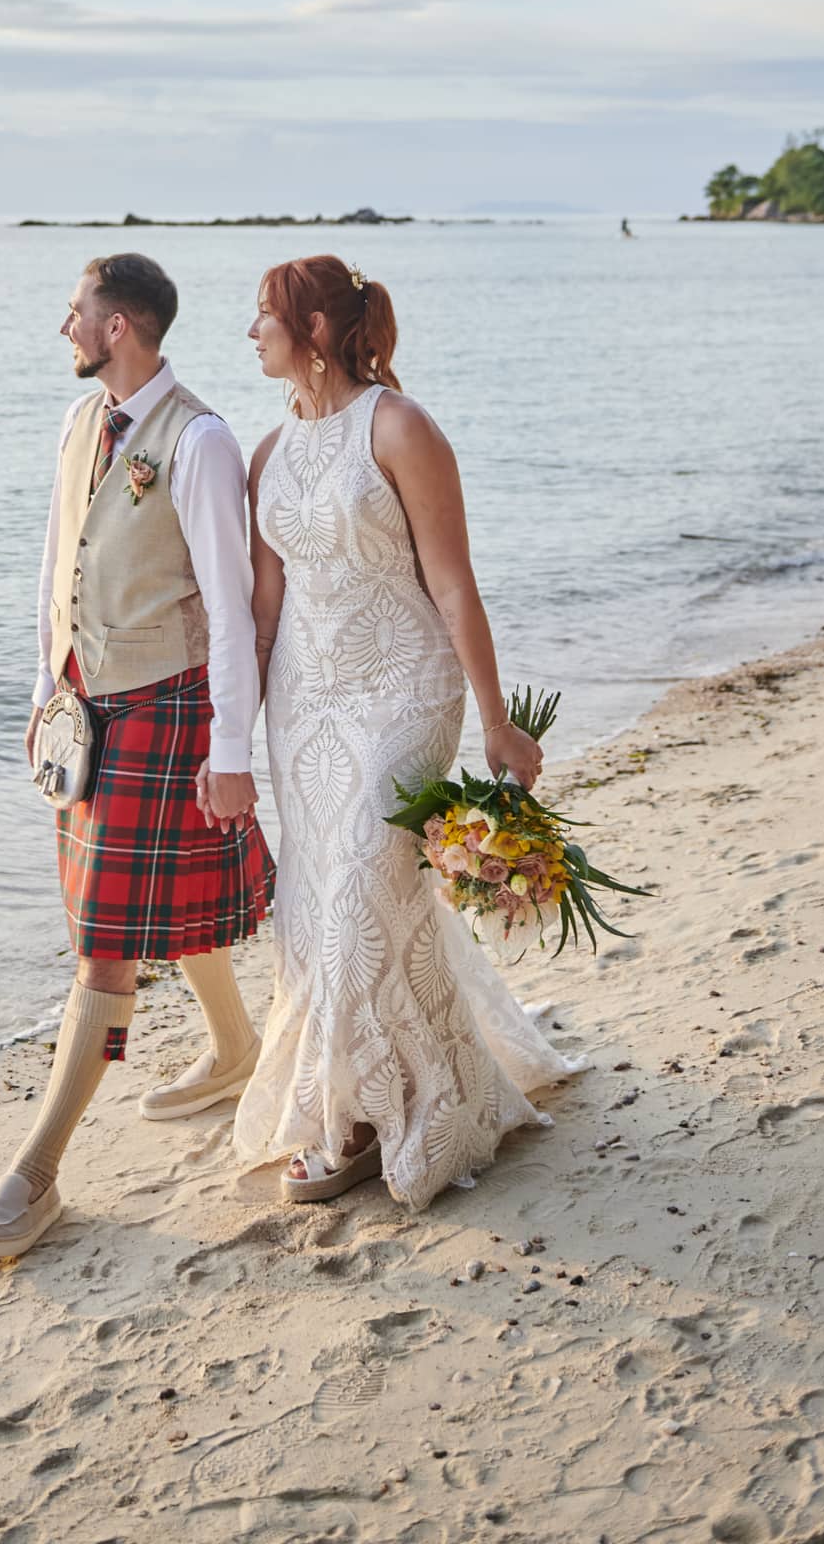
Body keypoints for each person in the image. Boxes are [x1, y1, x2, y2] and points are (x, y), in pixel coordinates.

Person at [231, 255, 578, 1206]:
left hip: (402, 689)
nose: (248, 333)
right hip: (305, 706)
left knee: (355, 901)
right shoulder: (266, 453)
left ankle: (359, 1121)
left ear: (310, 330)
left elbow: (452, 582)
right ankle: (366, 1094)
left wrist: (499, 724)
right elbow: (265, 608)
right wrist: (230, 740)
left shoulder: (400, 427)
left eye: (263, 316)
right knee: (320, 909)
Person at [0, 252, 274, 1260]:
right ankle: (233, 1050)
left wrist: (233, 750)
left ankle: (36, 1173)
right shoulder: (79, 423)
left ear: (123, 325)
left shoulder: (204, 441)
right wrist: (45, 693)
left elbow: (231, 612)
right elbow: (57, 564)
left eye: (77, 313)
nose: (66, 326)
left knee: (108, 937)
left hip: (169, 706)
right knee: (146, 909)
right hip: (88, 711)